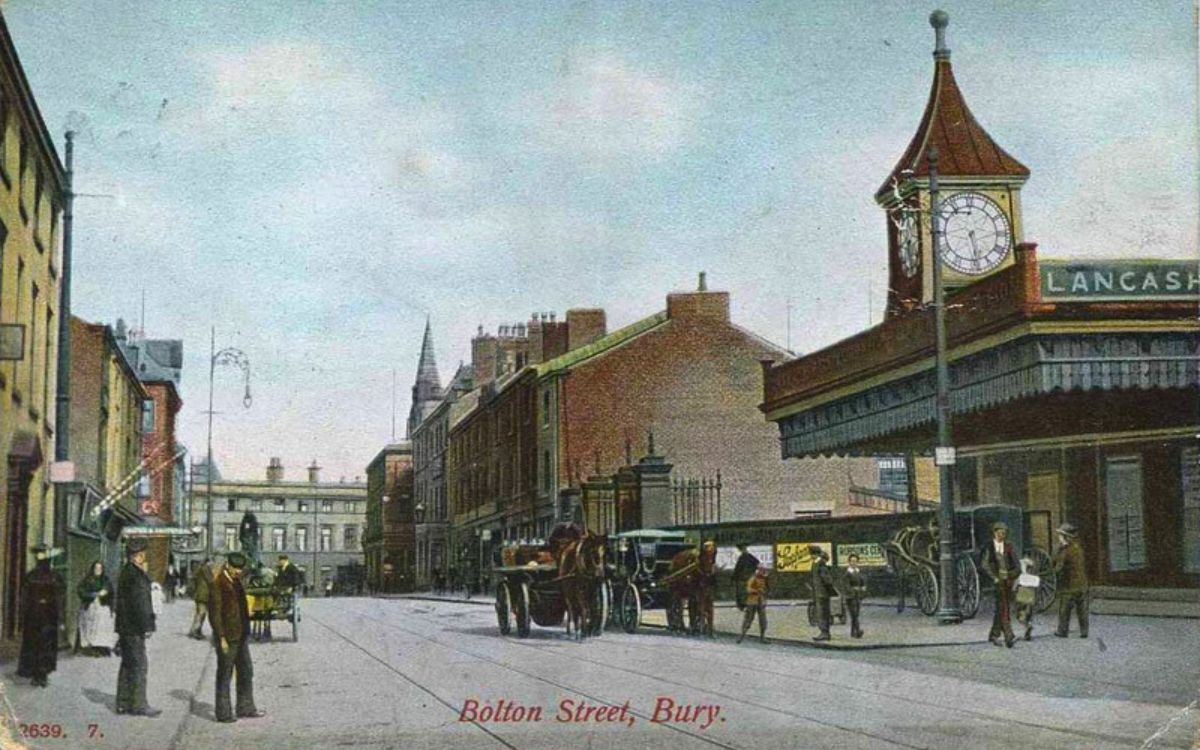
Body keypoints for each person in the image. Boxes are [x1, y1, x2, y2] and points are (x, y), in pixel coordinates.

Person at [208, 552, 265, 723]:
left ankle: (245, 707)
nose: (238, 572)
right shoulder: (218, 584)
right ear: (227, 565)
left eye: (240, 569)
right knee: (225, 674)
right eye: (235, 569)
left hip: (240, 635)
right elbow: (215, 614)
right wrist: (221, 637)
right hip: (227, 636)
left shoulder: (237, 582)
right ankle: (223, 713)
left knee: (246, 671)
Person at [115, 538, 161, 716]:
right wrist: (147, 626)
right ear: (136, 557)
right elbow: (140, 603)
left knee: (127, 664)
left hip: (125, 627)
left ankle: (123, 703)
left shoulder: (126, 572)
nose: (144, 557)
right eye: (142, 555)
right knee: (140, 665)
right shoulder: (136, 576)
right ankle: (139, 705)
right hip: (134, 628)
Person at [17, 544, 64, 687]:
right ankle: (37, 673)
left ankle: (41, 674)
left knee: (43, 645)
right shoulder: (33, 576)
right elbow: (24, 596)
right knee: (37, 644)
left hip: (45, 617)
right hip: (38, 617)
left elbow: (59, 598)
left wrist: (59, 617)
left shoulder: (52, 577)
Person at [981, 521, 1020, 648]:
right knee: (1004, 608)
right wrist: (994, 577)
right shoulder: (989, 547)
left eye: (1003, 533)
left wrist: (1010, 575)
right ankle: (1010, 636)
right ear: (994, 533)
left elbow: (1017, 567)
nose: (1001, 535)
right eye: (999, 533)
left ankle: (994, 635)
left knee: (1001, 608)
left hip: (1007, 582)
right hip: (996, 583)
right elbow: (984, 565)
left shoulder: (1009, 547)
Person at [1053, 523, 1089, 638]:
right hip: (1082, 584)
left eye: (1060, 535)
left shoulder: (1066, 550)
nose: (1059, 538)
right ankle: (1084, 631)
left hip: (1069, 585)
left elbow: (1059, 568)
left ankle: (1062, 631)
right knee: (1082, 609)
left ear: (1066, 537)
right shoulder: (1078, 547)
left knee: (1064, 609)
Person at [77, 560, 115, 656]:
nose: (98, 570)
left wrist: (105, 593)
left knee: (102, 627)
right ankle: (91, 646)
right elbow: (81, 591)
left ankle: (102, 646)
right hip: (90, 608)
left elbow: (110, 591)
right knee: (90, 627)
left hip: (102, 608)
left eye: (100, 568)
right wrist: (92, 595)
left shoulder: (105, 580)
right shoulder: (87, 580)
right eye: (96, 568)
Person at [737, 566, 770, 643]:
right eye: (762, 571)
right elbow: (748, 589)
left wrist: (764, 594)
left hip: (761, 602)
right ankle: (741, 636)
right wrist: (756, 591)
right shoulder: (753, 578)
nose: (763, 573)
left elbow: (766, 590)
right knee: (748, 619)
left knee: (763, 620)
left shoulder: (764, 580)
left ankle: (762, 637)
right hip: (752, 602)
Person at [810, 545, 835, 642]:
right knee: (821, 613)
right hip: (819, 593)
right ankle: (824, 632)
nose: (810, 556)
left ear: (815, 554)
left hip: (822, 594)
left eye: (811, 554)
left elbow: (827, 580)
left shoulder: (820, 564)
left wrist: (828, 591)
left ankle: (824, 633)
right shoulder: (816, 564)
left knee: (822, 613)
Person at [842, 553, 867, 639]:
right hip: (850, 596)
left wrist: (863, 587)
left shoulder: (858, 572)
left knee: (856, 614)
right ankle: (858, 630)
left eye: (855, 561)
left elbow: (863, 582)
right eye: (852, 561)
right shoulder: (847, 574)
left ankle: (853, 632)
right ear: (849, 562)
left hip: (858, 596)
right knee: (854, 614)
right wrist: (855, 589)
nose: (854, 563)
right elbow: (846, 586)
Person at [1015, 555, 1040, 641]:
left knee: (1020, 613)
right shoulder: (1034, 575)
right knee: (1029, 612)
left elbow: (1016, 583)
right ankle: (1028, 626)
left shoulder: (1020, 567)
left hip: (1022, 594)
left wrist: (1013, 589)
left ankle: (1027, 626)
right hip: (1031, 595)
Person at [189, 559, 213, 640]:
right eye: (211, 562)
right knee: (201, 613)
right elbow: (210, 580)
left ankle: (195, 630)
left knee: (199, 613)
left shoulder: (199, 569)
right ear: (207, 562)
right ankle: (195, 631)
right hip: (204, 594)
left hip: (200, 594)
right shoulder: (205, 569)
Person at [732, 543, 759, 612]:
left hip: (743, 578)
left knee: (742, 592)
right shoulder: (747, 557)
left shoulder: (745, 557)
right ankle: (745, 605)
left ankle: (743, 606)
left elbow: (738, 568)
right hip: (745, 577)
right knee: (743, 592)